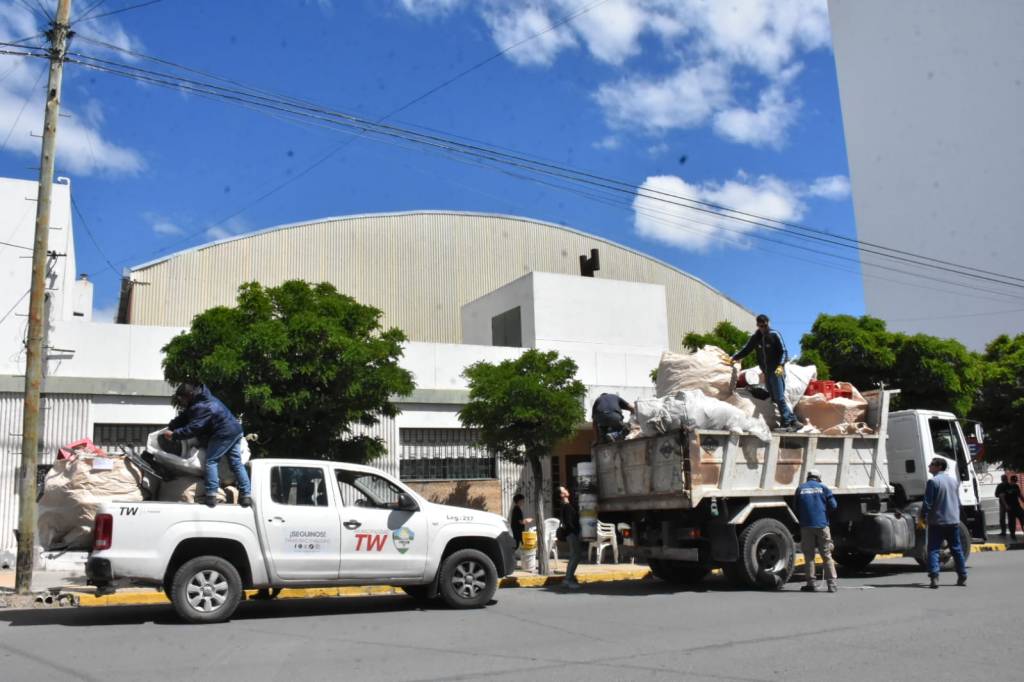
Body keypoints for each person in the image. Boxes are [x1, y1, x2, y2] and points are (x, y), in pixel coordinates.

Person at [163, 382, 252, 509]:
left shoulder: (202, 406)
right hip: (235, 430)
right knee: (236, 463)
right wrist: (172, 426)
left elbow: (193, 428)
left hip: (224, 433)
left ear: (188, 395)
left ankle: (211, 495)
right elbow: (186, 416)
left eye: (181, 398)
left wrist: (174, 435)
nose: (180, 401)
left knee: (211, 461)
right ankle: (246, 495)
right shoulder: (201, 399)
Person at [729, 314, 801, 432]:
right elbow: (746, 349)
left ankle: (790, 421)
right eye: (760, 326)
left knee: (779, 397)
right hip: (767, 372)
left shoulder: (774, 334)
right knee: (773, 397)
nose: (762, 328)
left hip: (777, 370)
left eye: (764, 325)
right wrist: (734, 357)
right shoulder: (756, 337)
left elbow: (784, 351)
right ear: (757, 325)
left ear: (768, 323)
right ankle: (791, 421)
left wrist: (780, 366)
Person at [919, 457, 967, 589]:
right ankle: (962, 575)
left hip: (937, 522)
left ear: (939, 466)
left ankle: (934, 576)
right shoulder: (953, 481)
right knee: (956, 549)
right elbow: (956, 501)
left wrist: (922, 517)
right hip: (953, 520)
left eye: (932, 464)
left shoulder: (933, 482)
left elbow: (928, 503)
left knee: (933, 549)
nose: (929, 466)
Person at [795, 470, 838, 593]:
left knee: (809, 556)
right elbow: (833, 505)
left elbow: (796, 508)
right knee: (826, 555)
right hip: (822, 525)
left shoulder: (800, 488)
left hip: (806, 526)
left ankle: (811, 584)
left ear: (808, 477)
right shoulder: (823, 488)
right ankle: (832, 584)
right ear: (818, 478)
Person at [558, 486, 582, 589]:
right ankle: (568, 579)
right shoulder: (566, 506)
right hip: (572, 534)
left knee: (575, 556)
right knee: (575, 556)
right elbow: (569, 522)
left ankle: (569, 578)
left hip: (571, 534)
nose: (567, 490)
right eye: (564, 490)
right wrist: (576, 532)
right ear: (562, 495)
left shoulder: (567, 505)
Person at [1003, 475, 1024, 540]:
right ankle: (1013, 534)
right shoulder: (1006, 487)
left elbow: (1019, 495)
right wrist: (1006, 505)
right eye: (1014, 481)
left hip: (1017, 506)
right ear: (1011, 480)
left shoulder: (1016, 486)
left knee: (1022, 517)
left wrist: (1023, 500)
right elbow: (1002, 497)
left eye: (1015, 481)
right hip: (1010, 507)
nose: (1015, 482)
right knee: (1012, 521)